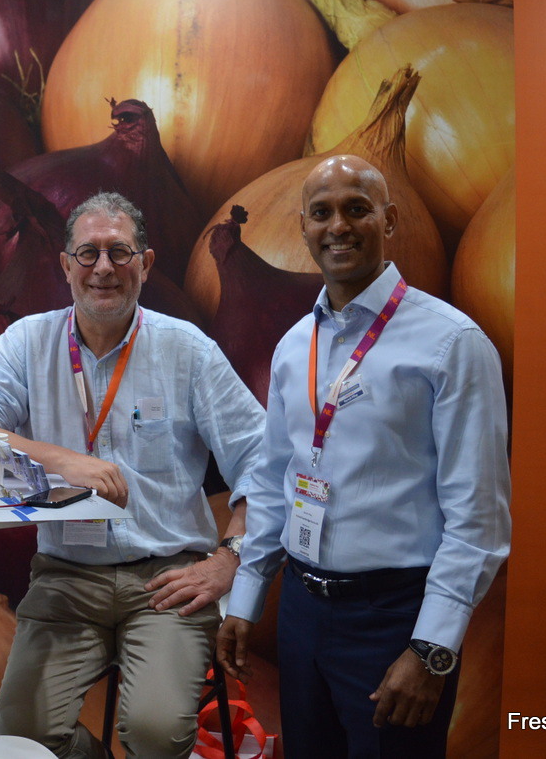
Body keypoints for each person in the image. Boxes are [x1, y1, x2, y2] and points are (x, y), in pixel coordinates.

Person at [218, 155, 511, 759]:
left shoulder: (452, 343)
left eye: (357, 209)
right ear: (302, 226)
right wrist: (246, 599)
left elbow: (478, 519)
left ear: (389, 220)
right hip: (301, 611)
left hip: (395, 619)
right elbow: (273, 482)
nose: (338, 227)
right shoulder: (295, 345)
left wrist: (432, 649)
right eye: (321, 212)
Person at [0, 191, 265, 759]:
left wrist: (230, 560)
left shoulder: (187, 350)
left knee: (155, 733)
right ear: (65, 265)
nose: (103, 267)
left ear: (144, 264)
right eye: (88, 252)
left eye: (119, 252)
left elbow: (262, 462)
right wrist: (64, 460)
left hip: (168, 578)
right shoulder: (26, 343)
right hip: (67, 576)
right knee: (20, 738)